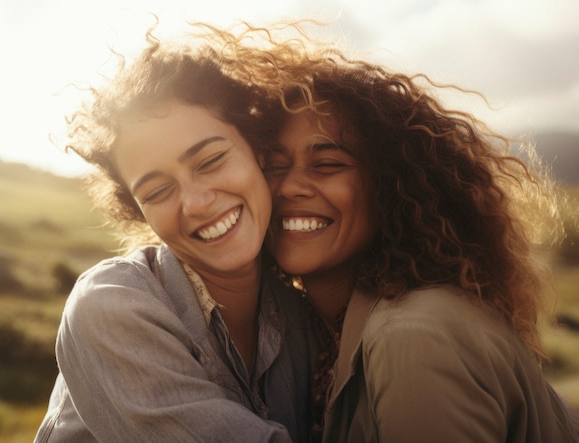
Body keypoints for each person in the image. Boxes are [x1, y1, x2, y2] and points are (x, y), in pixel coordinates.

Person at [223, 23, 579, 443]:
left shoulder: (412, 337)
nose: (288, 186)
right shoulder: (325, 333)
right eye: (274, 166)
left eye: (328, 164)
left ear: (391, 186)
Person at [33, 28, 315, 443]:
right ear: (138, 210)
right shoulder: (111, 305)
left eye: (211, 160)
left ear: (258, 151)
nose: (196, 203)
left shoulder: (298, 315)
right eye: (158, 191)